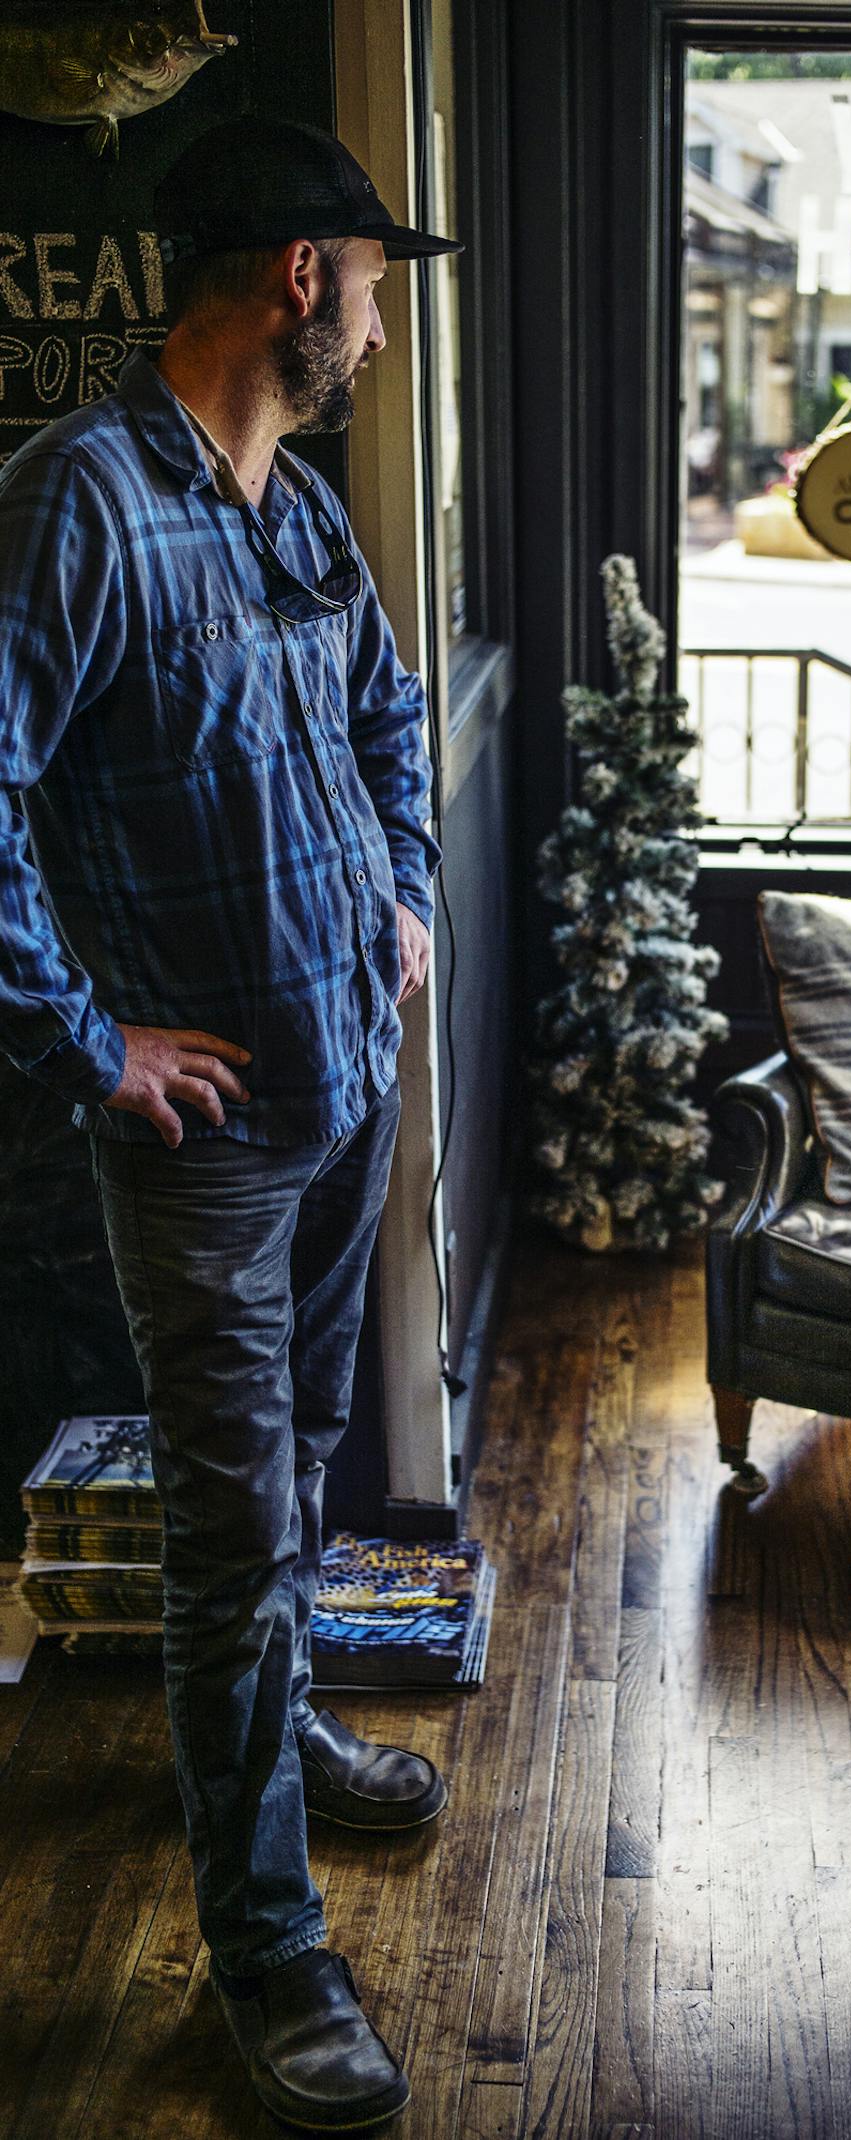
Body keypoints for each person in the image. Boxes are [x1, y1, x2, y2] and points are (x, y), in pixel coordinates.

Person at [0, 117, 463, 2131]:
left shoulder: (298, 504)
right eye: (366, 280)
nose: (373, 316)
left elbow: (385, 714)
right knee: (227, 1533)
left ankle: (283, 1745)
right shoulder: (75, 503)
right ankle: (266, 1953)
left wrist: (413, 891)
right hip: (207, 1145)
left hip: (348, 1082)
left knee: (293, 1454)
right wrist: (91, 1042)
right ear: (299, 276)